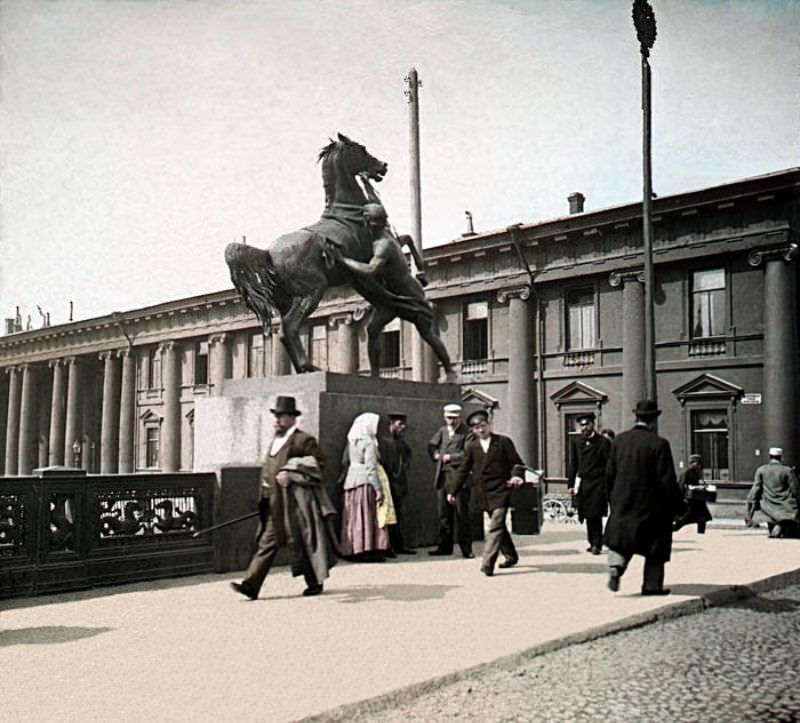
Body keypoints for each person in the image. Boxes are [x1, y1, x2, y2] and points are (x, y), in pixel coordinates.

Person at [231, 396, 338, 600]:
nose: (277, 420)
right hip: (273, 502)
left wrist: (292, 473)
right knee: (267, 543)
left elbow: (320, 465)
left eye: (281, 416)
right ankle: (251, 585)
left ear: (292, 419)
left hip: (295, 504)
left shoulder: (303, 440)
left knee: (302, 540)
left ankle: (314, 582)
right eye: (276, 416)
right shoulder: (276, 440)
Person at [604, 400, 682, 596]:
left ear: (636, 416)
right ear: (654, 420)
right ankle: (652, 585)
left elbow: (609, 474)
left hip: (622, 501)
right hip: (652, 506)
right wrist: (677, 507)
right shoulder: (659, 444)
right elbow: (667, 480)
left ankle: (616, 566)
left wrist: (613, 499)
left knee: (622, 539)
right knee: (656, 547)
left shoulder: (619, 441)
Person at [447, 410, 525, 576]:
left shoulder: (503, 442)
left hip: (501, 490)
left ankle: (487, 563)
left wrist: (517, 476)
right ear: (473, 431)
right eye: (476, 428)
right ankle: (511, 555)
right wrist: (452, 491)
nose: (481, 430)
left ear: (489, 425)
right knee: (499, 526)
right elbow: (463, 470)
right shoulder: (472, 447)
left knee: (495, 526)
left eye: (483, 426)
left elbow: (517, 463)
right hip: (483, 493)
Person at [339, 412, 392, 561]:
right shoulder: (369, 443)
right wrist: (379, 489)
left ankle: (352, 548)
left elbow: (345, 461)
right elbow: (371, 468)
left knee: (353, 517)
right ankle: (368, 549)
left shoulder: (351, 441)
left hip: (351, 481)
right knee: (367, 516)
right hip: (365, 483)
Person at [428, 403, 474, 559]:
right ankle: (444, 546)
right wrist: (435, 454)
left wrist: (451, 457)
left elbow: (468, 453)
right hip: (443, 477)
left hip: (459, 478)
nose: (451, 421)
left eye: (454, 418)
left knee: (462, 514)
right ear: (444, 417)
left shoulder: (467, 433)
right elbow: (431, 445)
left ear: (459, 418)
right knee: (444, 514)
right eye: (449, 418)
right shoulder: (442, 431)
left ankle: (466, 548)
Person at [567, 412, 611, 555]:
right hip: (583, 483)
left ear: (593, 425)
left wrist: (606, 485)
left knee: (595, 514)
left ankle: (596, 544)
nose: (584, 427)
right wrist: (571, 484)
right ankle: (592, 541)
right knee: (586, 514)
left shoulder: (603, 442)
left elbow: (609, 465)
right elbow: (573, 463)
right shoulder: (577, 442)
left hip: (598, 484)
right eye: (581, 425)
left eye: (586, 424)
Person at [378, 412, 416, 555]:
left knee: (400, 514)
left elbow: (407, 457)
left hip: (399, 483)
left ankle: (401, 545)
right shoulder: (384, 442)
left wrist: (405, 464)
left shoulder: (401, 443)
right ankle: (388, 546)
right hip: (388, 482)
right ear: (391, 424)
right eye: (399, 424)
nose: (403, 427)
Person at [746, 447, 800, 538]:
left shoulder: (761, 470)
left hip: (768, 505)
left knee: (774, 525)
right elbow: (795, 490)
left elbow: (756, 488)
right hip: (786, 506)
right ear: (781, 457)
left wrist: (752, 503)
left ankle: (775, 530)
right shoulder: (787, 471)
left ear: (770, 457)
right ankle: (779, 528)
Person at [673, 454, 713, 534]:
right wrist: (682, 499)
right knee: (687, 517)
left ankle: (701, 534)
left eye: (699, 463)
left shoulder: (698, 473)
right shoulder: (686, 472)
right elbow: (681, 486)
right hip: (691, 500)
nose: (699, 465)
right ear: (692, 463)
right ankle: (674, 527)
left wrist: (704, 487)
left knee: (702, 517)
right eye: (697, 463)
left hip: (699, 499)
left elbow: (701, 483)